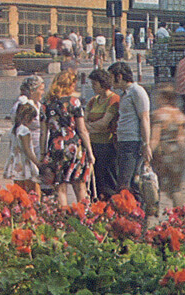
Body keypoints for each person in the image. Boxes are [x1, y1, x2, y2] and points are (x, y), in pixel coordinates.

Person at [40, 69, 95, 207]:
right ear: (70, 85)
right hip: (74, 146)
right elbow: (82, 129)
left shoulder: (46, 104)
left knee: (60, 186)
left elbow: (43, 132)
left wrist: (43, 153)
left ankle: (62, 218)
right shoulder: (74, 102)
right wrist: (89, 151)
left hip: (56, 146)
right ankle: (84, 216)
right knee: (79, 184)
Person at [108, 61, 152, 198]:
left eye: (111, 77)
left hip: (132, 142)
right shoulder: (125, 93)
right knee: (127, 181)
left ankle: (133, 212)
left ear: (119, 76)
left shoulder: (137, 92)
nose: (110, 81)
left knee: (127, 183)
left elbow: (144, 118)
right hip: (123, 141)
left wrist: (146, 144)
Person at [150, 84, 185, 210]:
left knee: (156, 187)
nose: (155, 99)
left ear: (164, 98)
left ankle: (152, 216)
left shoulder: (158, 115)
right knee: (176, 188)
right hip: (178, 155)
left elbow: (155, 139)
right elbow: (182, 139)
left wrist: (147, 154)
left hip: (162, 154)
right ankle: (180, 217)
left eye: (157, 96)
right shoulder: (180, 115)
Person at [85, 68, 120, 200]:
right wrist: (93, 127)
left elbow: (104, 123)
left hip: (107, 145)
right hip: (93, 144)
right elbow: (84, 120)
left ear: (102, 83)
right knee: (96, 180)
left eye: (95, 84)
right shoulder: (93, 100)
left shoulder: (113, 100)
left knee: (108, 179)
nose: (93, 87)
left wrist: (90, 127)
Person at [3, 101, 43, 198]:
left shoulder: (14, 128)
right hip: (25, 163)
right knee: (33, 188)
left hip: (16, 162)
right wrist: (38, 163)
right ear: (26, 117)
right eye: (32, 119)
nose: (32, 122)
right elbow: (27, 150)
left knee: (18, 189)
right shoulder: (24, 130)